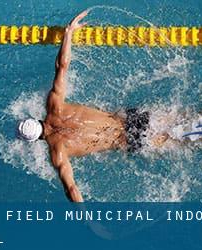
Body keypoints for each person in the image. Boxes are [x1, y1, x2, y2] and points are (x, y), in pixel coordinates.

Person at [17, 11, 169, 202]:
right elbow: (62, 66)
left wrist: (88, 221)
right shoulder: (54, 105)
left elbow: (71, 189)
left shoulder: (58, 152)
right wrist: (68, 33)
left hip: (130, 140)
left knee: (187, 141)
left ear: (35, 140)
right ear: (35, 119)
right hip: (131, 118)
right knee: (185, 118)